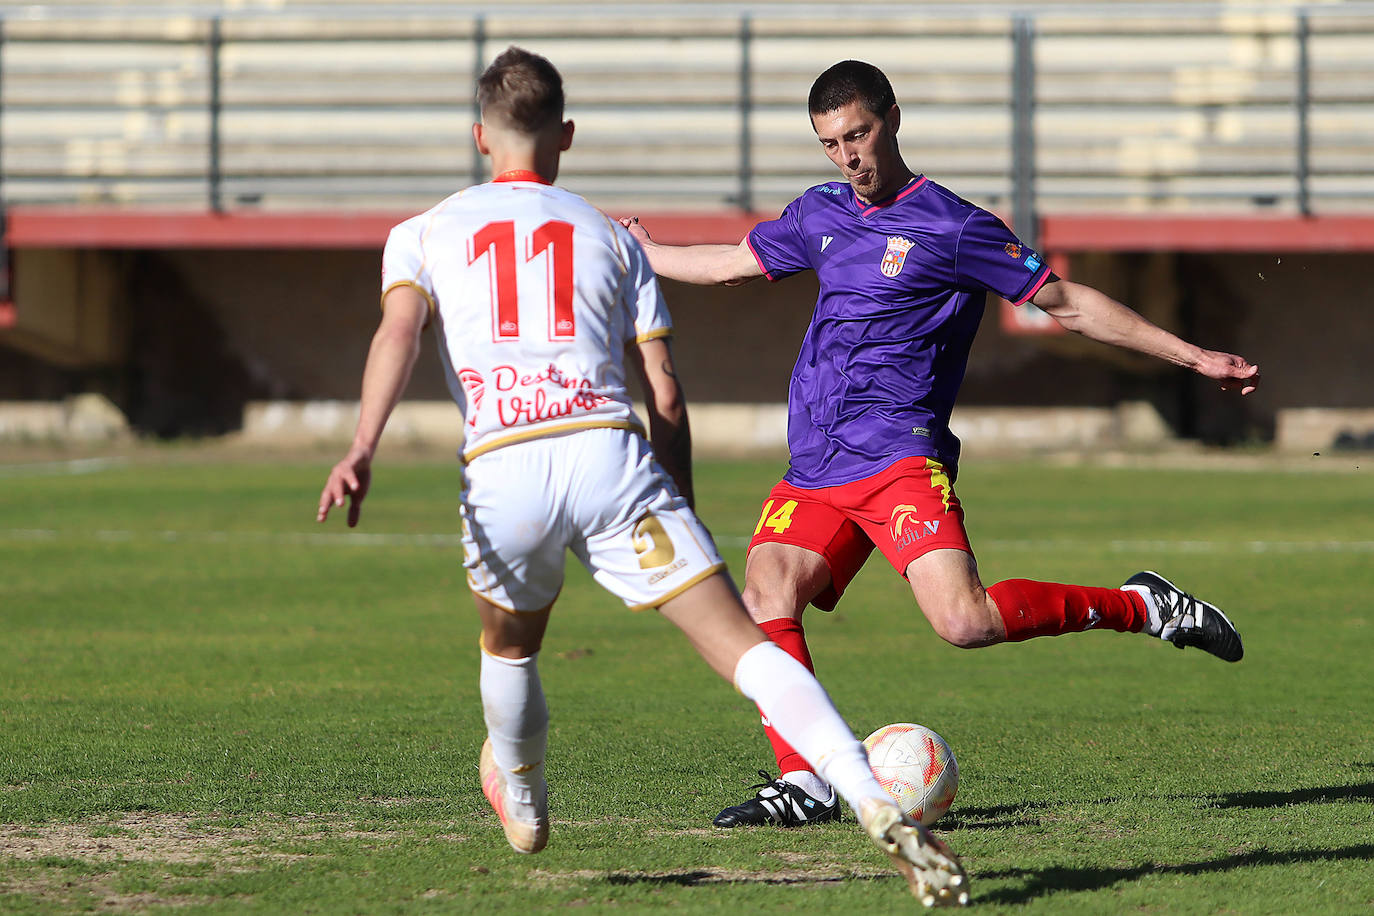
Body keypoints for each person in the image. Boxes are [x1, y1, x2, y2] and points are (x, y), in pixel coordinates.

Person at [316, 47, 969, 907]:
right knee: (743, 648)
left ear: (481, 138)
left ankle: (522, 790)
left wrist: (363, 444)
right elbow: (663, 390)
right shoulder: (602, 235)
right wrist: (682, 508)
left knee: (510, 647)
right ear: (568, 136)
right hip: (607, 455)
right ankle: (874, 801)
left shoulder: (424, 231)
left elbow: (397, 335)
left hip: (502, 461)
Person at [623, 59, 1261, 830]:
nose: (848, 157)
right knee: (766, 596)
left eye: (858, 134)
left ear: (891, 117)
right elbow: (729, 264)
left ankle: (1140, 605)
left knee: (963, 623)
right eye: (830, 143)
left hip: (898, 456)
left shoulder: (955, 227)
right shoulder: (820, 213)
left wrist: (1195, 358)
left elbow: (1068, 303)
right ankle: (807, 782)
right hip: (817, 462)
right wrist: (644, 254)